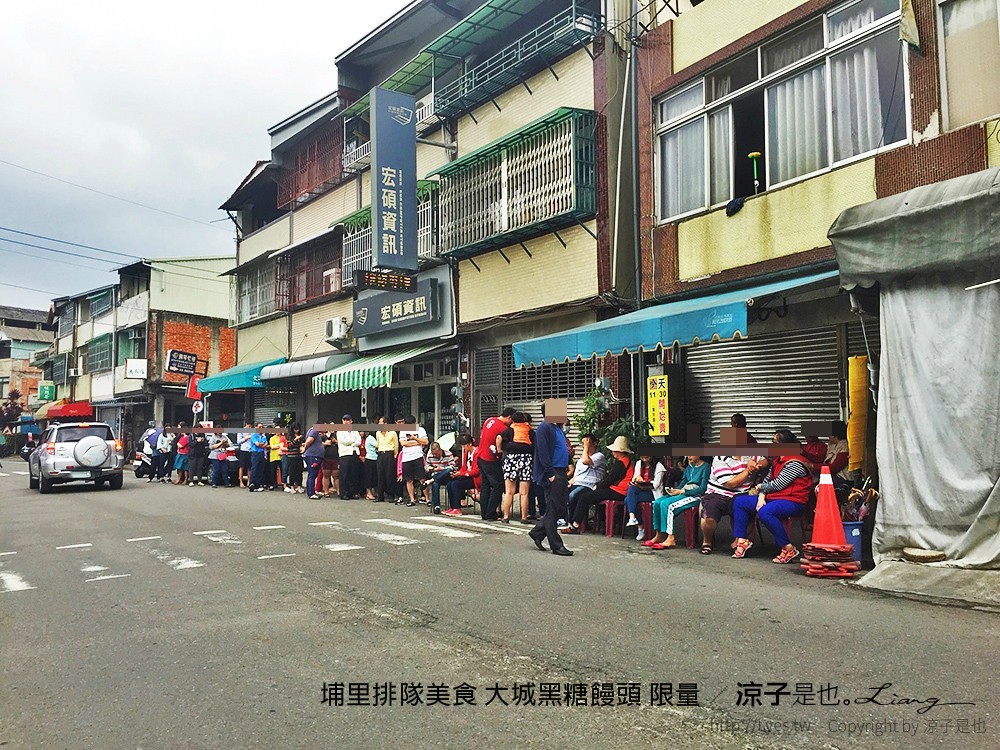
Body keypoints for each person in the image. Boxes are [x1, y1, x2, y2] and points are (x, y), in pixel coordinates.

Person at [731, 429, 813, 563]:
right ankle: (742, 540)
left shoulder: (795, 463)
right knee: (740, 502)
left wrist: (760, 488)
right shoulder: (778, 460)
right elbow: (768, 480)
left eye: (774, 442)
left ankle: (788, 548)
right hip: (774, 498)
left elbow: (778, 484)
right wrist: (762, 496)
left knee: (765, 512)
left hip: (793, 502)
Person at [528, 401, 573, 556]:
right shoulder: (544, 427)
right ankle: (556, 545)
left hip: (560, 471)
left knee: (558, 506)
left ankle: (538, 532)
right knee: (553, 508)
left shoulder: (556, 427)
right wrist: (549, 474)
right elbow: (543, 452)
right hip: (553, 471)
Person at [695, 453, 763, 555]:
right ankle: (707, 542)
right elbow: (731, 484)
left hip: (741, 493)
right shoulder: (720, 457)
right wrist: (749, 470)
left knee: (746, 509)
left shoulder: (750, 455)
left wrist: (757, 464)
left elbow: (765, 461)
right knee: (709, 516)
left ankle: (739, 541)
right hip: (718, 493)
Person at [564, 436, 634, 535]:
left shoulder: (621, 462)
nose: (612, 452)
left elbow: (610, 479)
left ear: (620, 451)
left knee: (585, 497)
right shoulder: (626, 461)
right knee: (597, 497)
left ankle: (575, 525)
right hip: (620, 490)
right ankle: (603, 524)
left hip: (620, 491)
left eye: (614, 450)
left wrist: (597, 487)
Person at [645, 455, 710, 550]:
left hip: (696, 496)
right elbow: (683, 483)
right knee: (658, 502)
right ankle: (659, 534)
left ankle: (670, 537)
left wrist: (683, 491)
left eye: (691, 454)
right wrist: (675, 490)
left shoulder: (706, 467)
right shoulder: (689, 467)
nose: (689, 457)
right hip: (683, 493)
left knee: (668, 505)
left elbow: (703, 488)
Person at [475, 407, 516, 521]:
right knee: (498, 485)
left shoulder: (489, 420)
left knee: (485, 486)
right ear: (509, 417)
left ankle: (485, 513)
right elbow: (499, 438)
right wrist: (500, 450)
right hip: (490, 459)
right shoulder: (503, 428)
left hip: (480, 455)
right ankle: (491, 513)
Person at [562, 433, 607, 529]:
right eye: (583, 443)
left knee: (573, 496)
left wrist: (587, 447)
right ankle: (563, 519)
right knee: (561, 493)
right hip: (577, 483)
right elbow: (577, 475)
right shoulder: (580, 460)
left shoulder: (599, 456)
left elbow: (586, 461)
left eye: (586, 442)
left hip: (589, 485)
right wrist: (570, 482)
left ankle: (571, 523)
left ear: (594, 443)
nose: (584, 445)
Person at [623, 453, 668, 541]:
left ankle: (640, 525)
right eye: (642, 457)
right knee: (631, 490)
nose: (644, 460)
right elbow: (634, 479)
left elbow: (656, 484)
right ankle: (633, 518)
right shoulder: (639, 463)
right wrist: (637, 479)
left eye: (646, 457)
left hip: (652, 492)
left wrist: (644, 482)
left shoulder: (659, 466)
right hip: (640, 489)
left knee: (628, 500)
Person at [499, 412, 535, 524]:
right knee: (524, 492)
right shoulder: (529, 431)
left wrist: (500, 449)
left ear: (513, 421)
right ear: (524, 420)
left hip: (511, 460)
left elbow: (499, 437)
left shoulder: (509, 430)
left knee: (509, 491)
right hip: (526, 460)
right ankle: (524, 517)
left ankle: (506, 517)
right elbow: (535, 445)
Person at [444, 435, 478, 515]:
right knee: (450, 484)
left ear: (470, 444)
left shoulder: (477, 452)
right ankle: (453, 507)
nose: (463, 447)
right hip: (467, 475)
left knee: (456, 485)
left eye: (464, 445)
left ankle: (457, 508)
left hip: (475, 478)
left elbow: (476, 471)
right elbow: (464, 467)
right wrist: (457, 473)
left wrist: (461, 473)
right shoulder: (466, 453)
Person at [424, 441, 457, 512]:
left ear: (440, 450)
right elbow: (427, 466)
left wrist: (441, 468)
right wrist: (430, 468)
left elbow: (453, 467)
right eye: (433, 454)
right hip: (436, 474)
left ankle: (431, 480)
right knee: (436, 483)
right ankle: (436, 506)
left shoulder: (448, 454)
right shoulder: (429, 455)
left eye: (436, 454)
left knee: (448, 470)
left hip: (447, 475)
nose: (435, 456)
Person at [337, 414, 363, 500]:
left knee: (353, 474)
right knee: (344, 474)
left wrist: (352, 442)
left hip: (354, 453)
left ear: (351, 421)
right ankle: (344, 493)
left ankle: (352, 493)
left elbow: (359, 441)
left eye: (348, 420)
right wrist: (353, 442)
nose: (346, 422)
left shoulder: (354, 430)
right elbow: (344, 441)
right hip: (345, 454)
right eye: (345, 420)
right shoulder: (340, 431)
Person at [374, 416, 399, 503]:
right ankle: (380, 496)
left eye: (381, 423)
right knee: (380, 475)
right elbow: (378, 443)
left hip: (389, 453)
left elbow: (396, 445)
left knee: (389, 475)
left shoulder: (392, 433)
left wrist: (395, 455)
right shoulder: (378, 433)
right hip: (381, 454)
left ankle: (391, 495)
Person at [301, 422, 326, 500]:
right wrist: (304, 449)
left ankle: (312, 492)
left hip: (315, 455)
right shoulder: (315, 430)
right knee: (312, 474)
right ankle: (311, 493)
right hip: (313, 456)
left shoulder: (315, 431)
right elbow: (309, 441)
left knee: (312, 474)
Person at [284, 423, 305, 494]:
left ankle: (299, 485)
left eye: (298, 429)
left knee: (299, 471)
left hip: (299, 455)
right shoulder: (290, 436)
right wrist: (296, 439)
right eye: (295, 429)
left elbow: (301, 444)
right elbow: (289, 446)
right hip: (292, 456)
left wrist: (302, 445)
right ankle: (292, 486)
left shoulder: (300, 436)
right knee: (292, 472)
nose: (297, 430)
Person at [248, 423, 269, 492]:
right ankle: (252, 484)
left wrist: (261, 444)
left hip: (262, 453)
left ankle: (257, 485)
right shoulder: (254, 435)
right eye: (259, 426)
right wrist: (262, 444)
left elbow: (266, 445)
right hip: (255, 453)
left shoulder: (264, 436)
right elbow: (257, 444)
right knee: (254, 468)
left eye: (262, 427)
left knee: (261, 469)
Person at [267, 424, 285, 491]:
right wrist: (280, 445)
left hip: (282, 456)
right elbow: (272, 447)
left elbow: (284, 446)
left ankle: (284, 484)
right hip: (274, 456)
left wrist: (278, 445)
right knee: (273, 471)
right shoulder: (272, 438)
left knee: (283, 471)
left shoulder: (283, 438)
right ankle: (272, 484)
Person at [236, 422, 254, 488]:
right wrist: (245, 438)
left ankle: (249, 481)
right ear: (246, 424)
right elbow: (238, 441)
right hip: (243, 450)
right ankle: (241, 481)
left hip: (251, 450)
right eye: (249, 426)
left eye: (251, 426)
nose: (250, 427)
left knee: (250, 467)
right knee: (241, 466)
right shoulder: (241, 431)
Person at [363, 429, 378, 501]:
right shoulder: (371, 438)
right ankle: (369, 493)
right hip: (370, 459)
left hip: (375, 459)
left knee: (374, 477)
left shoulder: (373, 438)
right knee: (369, 477)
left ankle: (373, 492)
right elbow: (378, 446)